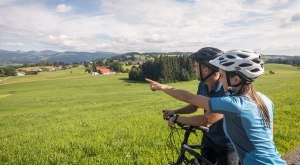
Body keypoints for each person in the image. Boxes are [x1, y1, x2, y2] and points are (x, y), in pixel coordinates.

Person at [146, 49, 286, 165]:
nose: (220, 78)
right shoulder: (265, 99)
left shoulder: (233, 103)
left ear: (236, 79)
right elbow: (268, 136)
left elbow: (191, 99)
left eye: (223, 76)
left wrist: (163, 87)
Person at [163, 47, 238, 164]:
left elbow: (207, 120)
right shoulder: (202, 85)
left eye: (196, 66)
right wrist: (174, 111)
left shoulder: (226, 91)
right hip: (208, 138)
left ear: (206, 70)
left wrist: (176, 118)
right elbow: (194, 106)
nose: (194, 69)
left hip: (226, 145)